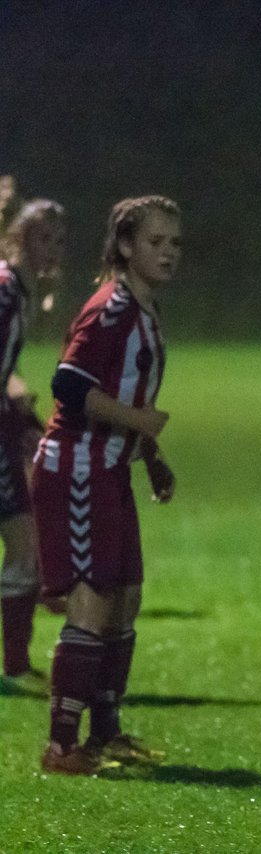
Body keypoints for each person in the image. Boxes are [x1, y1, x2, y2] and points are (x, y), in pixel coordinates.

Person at [34, 195, 180, 774]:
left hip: (111, 469)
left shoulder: (144, 309)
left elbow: (129, 393)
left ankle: (106, 734)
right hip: (77, 466)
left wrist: (152, 453)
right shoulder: (111, 310)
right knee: (92, 603)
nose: (168, 253)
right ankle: (61, 746)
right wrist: (140, 424)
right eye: (155, 242)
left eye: (174, 243)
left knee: (125, 599)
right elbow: (68, 383)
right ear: (124, 245)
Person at [0, 198, 66, 696]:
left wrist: (20, 410)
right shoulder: (5, 292)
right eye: (46, 239)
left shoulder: (16, 291)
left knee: (24, 543)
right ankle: (16, 664)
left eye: (60, 242)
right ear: (20, 239)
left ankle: (16, 663)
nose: (54, 251)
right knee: (24, 545)